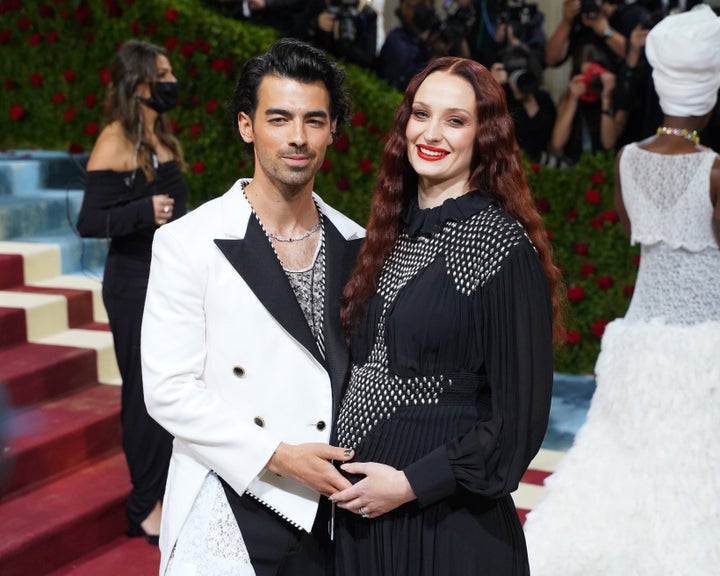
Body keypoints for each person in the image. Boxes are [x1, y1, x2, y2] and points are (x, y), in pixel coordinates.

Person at [329, 56, 564, 575]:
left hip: (445, 530)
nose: (431, 133)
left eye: (455, 120)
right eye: (421, 114)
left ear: (485, 135)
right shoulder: (389, 234)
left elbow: (517, 423)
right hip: (363, 525)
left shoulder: (499, 245)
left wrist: (411, 484)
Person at [141, 38, 366, 575]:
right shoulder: (189, 242)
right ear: (247, 126)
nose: (297, 138)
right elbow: (168, 390)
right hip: (230, 493)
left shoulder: (357, 243)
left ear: (333, 130)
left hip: (335, 512)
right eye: (279, 118)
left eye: (314, 120)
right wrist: (279, 456)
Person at [523, 6, 720, 575]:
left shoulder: (628, 160)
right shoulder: (712, 170)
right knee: (694, 465)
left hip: (642, 330)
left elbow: (636, 228)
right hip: (704, 341)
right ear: (707, 91)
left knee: (629, 457)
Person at [75, 40, 188, 546]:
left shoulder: (161, 136)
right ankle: (145, 505)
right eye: (162, 74)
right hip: (131, 283)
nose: (170, 82)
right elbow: (89, 221)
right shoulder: (116, 138)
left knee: (169, 390)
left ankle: (167, 491)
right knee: (143, 396)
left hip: (167, 281)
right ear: (139, 82)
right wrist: (145, 212)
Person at [490, 44, 556, 162]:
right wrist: (490, 86)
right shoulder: (496, 98)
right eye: (512, 72)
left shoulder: (541, 98)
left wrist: (528, 98)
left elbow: (545, 139)